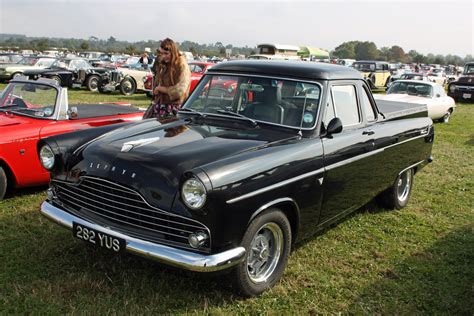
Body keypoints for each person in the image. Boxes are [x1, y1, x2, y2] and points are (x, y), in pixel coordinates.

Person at [143, 38, 191, 120]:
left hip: (175, 107)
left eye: (166, 53)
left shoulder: (181, 64)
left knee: (172, 131)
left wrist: (161, 89)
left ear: (173, 52)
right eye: (162, 53)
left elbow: (180, 90)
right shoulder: (163, 64)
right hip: (159, 105)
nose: (164, 56)